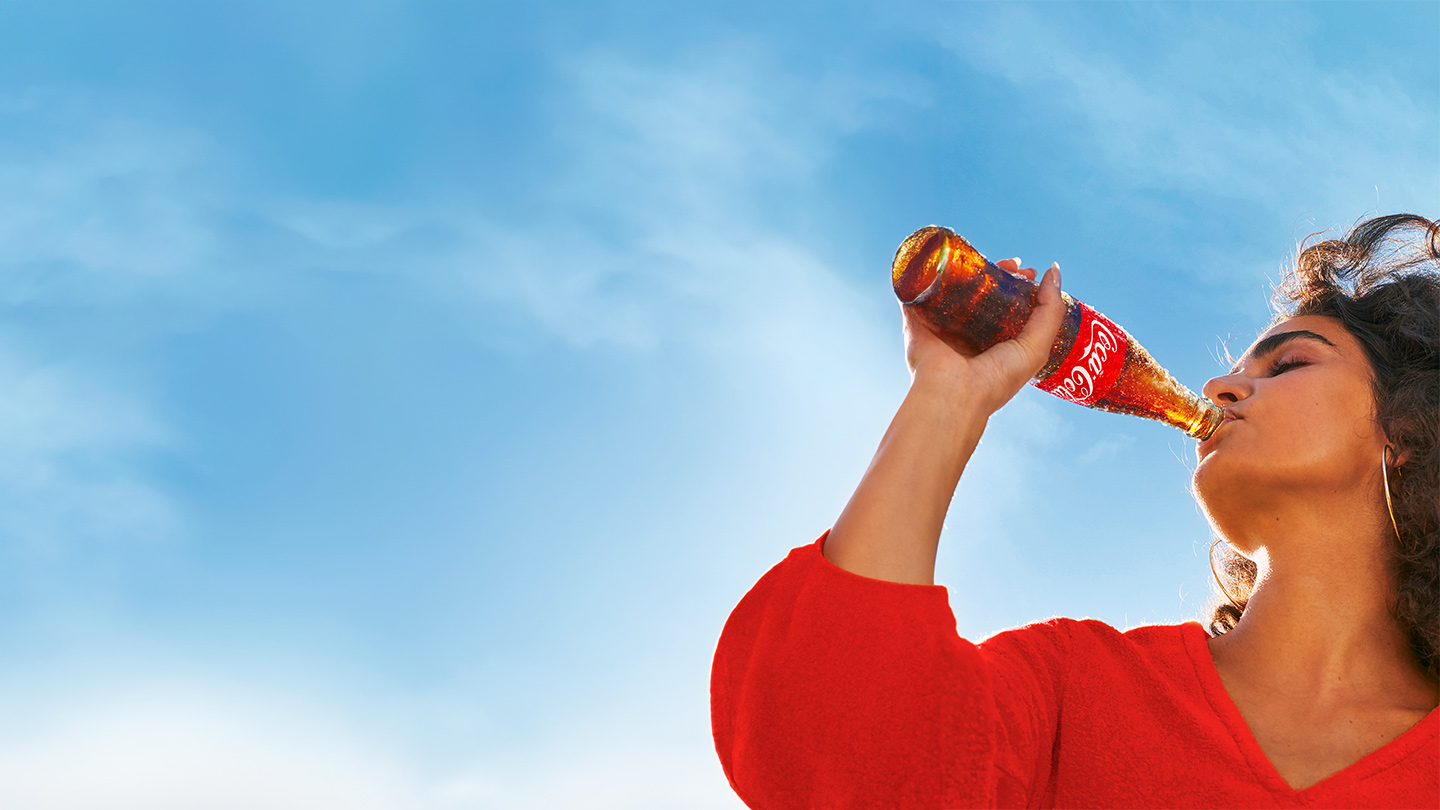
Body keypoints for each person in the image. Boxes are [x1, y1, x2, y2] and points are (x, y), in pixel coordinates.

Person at [710, 214, 1439, 808]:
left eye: (1286, 365)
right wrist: (948, 399)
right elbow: (824, 755)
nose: (1219, 385)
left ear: (1409, 432)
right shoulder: (1078, 689)